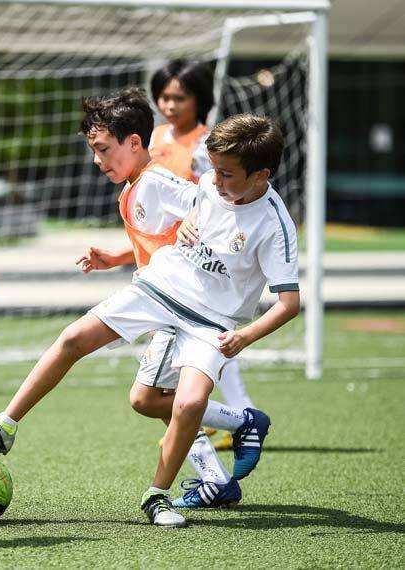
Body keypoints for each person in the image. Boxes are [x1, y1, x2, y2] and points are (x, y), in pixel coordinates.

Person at [0, 111, 299, 529]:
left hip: (213, 322)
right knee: (74, 337)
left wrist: (245, 336)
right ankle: (3, 427)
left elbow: (288, 303)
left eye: (227, 175)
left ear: (261, 175)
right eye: (215, 171)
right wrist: (187, 223)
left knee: (184, 403)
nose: (216, 181)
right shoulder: (210, 184)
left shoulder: (275, 226)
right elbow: (196, 206)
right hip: (161, 287)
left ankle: (158, 495)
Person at [75, 88, 247, 510]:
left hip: (179, 303)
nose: (99, 160)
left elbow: (203, 203)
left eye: (102, 150)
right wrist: (115, 256)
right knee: (161, 401)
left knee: (147, 399)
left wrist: (196, 218)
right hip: (160, 301)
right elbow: (161, 234)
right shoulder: (136, 183)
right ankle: (218, 472)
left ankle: (239, 425)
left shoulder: (160, 172)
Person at [151, 59, 255, 450]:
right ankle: (222, 418)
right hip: (161, 253)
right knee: (196, 345)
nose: (170, 105)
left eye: (180, 97)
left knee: (205, 341)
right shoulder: (155, 139)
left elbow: (210, 199)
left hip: (200, 256)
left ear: (200, 99)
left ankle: (221, 419)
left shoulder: (207, 144)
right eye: (164, 96)